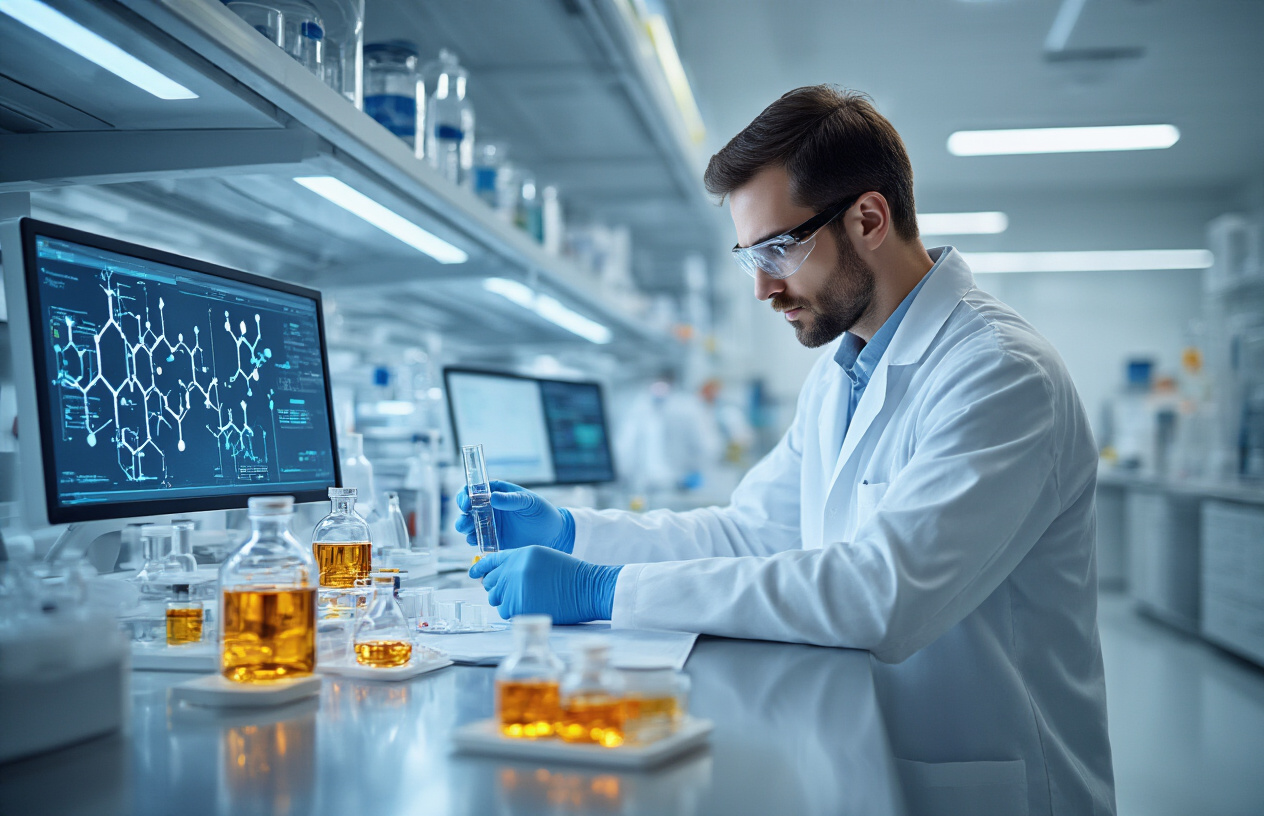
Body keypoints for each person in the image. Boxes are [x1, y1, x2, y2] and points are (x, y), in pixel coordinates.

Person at [460, 86, 1114, 816]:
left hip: (987, 779)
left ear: (868, 218)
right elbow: (752, 531)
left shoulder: (999, 374)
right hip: (872, 746)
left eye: (779, 248)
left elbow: (880, 593)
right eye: (751, 256)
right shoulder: (843, 373)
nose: (765, 287)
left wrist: (602, 591)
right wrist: (575, 534)